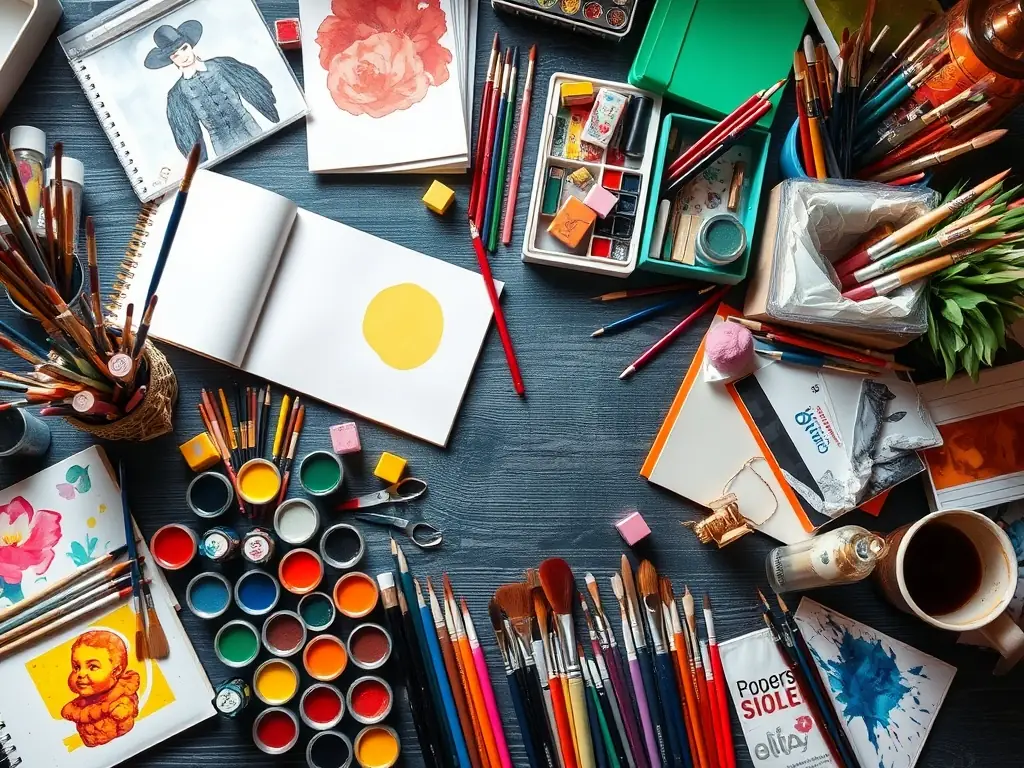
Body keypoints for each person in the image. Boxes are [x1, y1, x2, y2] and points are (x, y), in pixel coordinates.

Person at [144, 20, 280, 162]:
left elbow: (253, 86)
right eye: (175, 55)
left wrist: (271, 114)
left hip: (250, 128)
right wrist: (201, 163)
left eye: (184, 48)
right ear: (172, 60)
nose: (183, 56)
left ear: (190, 46)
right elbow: (186, 132)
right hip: (222, 145)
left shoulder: (222, 65)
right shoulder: (176, 94)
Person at [60, 630, 140, 747]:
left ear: (116, 671)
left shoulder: (122, 694)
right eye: (76, 667)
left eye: (92, 667)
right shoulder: (80, 704)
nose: (81, 674)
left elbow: (124, 718)